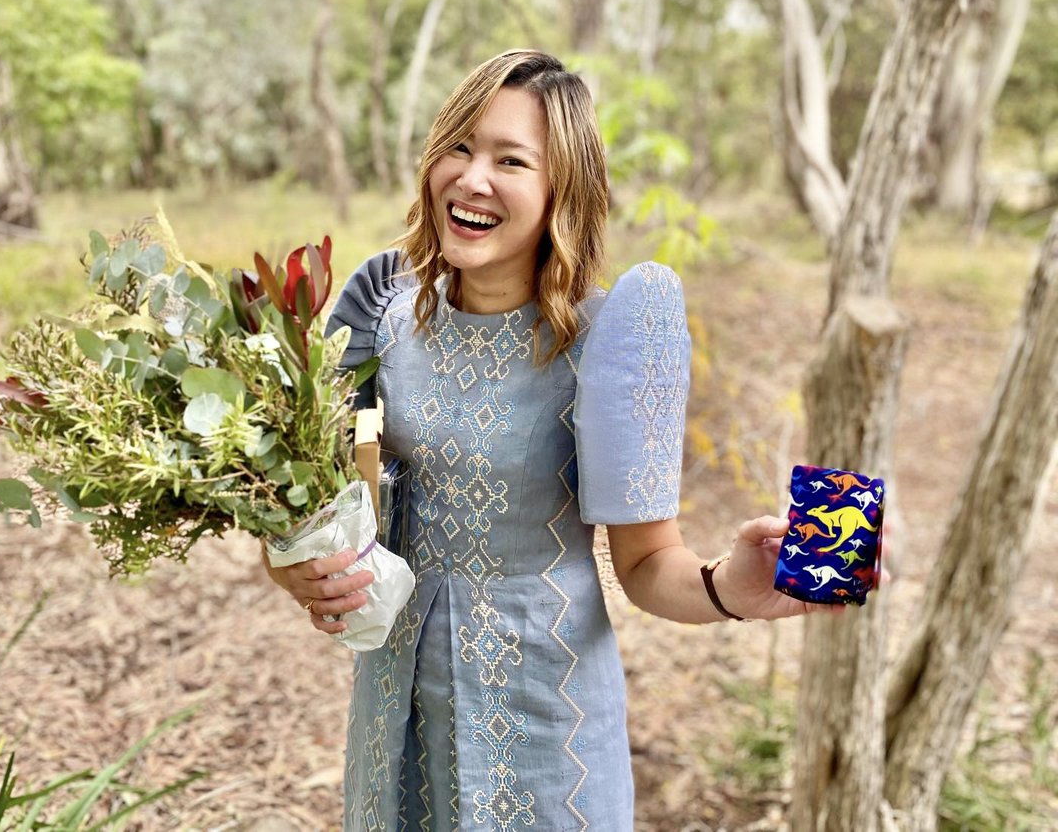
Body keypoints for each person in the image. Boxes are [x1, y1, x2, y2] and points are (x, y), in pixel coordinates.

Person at [265, 50, 837, 830]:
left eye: (511, 160)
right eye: (459, 147)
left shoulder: (606, 342)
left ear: (560, 189)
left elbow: (644, 564)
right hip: (395, 714)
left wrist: (728, 586)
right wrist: (297, 569)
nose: (472, 179)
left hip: (544, 725)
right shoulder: (379, 314)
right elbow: (327, 511)